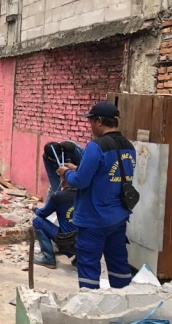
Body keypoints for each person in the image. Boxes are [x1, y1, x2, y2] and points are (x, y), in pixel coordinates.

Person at [57, 101, 135, 289]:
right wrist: (78, 168)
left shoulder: (96, 146)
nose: (90, 126)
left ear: (99, 121)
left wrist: (65, 173)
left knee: (89, 265)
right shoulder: (128, 146)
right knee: (118, 263)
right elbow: (109, 172)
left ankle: (90, 308)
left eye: (91, 122)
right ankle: (123, 303)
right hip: (118, 217)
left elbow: (80, 181)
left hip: (94, 219)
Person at [32, 185, 78, 269]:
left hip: (66, 240)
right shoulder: (87, 195)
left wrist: (35, 209)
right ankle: (79, 259)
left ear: (64, 180)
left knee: (37, 221)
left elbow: (42, 213)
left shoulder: (58, 197)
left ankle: (48, 258)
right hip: (85, 240)